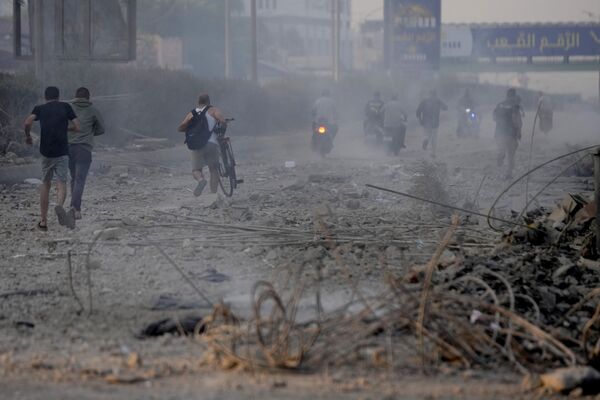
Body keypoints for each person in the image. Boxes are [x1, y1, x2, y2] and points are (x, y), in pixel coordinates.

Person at [24, 86, 81, 231]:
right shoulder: (66, 107)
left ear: (45, 97)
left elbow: (27, 122)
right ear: (59, 96)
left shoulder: (40, 108)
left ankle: (43, 222)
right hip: (62, 151)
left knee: (45, 183)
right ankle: (59, 206)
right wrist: (65, 128)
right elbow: (77, 127)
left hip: (46, 152)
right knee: (62, 182)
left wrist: (28, 136)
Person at [177, 94, 226, 196]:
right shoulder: (213, 110)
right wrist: (222, 132)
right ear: (209, 102)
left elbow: (181, 127)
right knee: (213, 169)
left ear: (198, 102)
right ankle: (213, 194)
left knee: (196, 170)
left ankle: (201, 180)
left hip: (196, 145)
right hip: (212, 144)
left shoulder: (192, 113)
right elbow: (222, 121)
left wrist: (191, 130)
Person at [68, 87, 105, 220]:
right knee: (80, 180)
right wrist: (89, 133)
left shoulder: (69, 109)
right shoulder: (93, 110)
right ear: (88, 98)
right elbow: (102, 129)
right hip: (84, 149)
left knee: (73, 178)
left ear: (75, 96)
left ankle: (73, 206)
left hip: (68, 148)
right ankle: (75, 208)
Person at [493, 88, 523, 180]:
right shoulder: (515, 106)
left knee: (501, 148)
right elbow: (516, 120)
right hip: (511, 133)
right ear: (514, 95)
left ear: (507, 95)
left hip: (499, 132)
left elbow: (494, 117)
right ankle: (508, 174)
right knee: (511, 154)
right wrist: (519, 131)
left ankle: (500, 154)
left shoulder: (500, 104)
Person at [416, 89, 447, 158]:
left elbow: (418, 112)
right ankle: (433, 153)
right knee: (434, 138)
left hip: (425, 122)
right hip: (435, 123)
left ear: (429, 94)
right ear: (435, 94)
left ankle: (426, 139)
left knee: (426, 134)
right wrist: (443, 108)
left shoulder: (424, 101)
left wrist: (420, 120)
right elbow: (445, 107)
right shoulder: (437, 100)